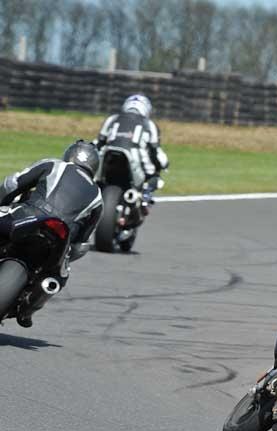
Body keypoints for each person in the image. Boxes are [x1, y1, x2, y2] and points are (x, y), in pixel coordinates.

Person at [0, 141, 103, 327]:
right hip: (60, 240)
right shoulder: (98, 196)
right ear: (95, 166)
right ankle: (28, 309)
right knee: (58, 278)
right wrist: (67, 256)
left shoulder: (54, 165)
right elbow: (82, 245)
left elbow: (11, 184)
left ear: (70, 154)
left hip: (29, 215)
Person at [94, 94, 169, 209]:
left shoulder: (112, 119)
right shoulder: (149, 124)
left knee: (94, 177)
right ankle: (145, 195)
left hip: (108, 154)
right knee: (154, 176)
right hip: (135, 158)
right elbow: (155, 150)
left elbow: (98, 142)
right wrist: (164, 164)